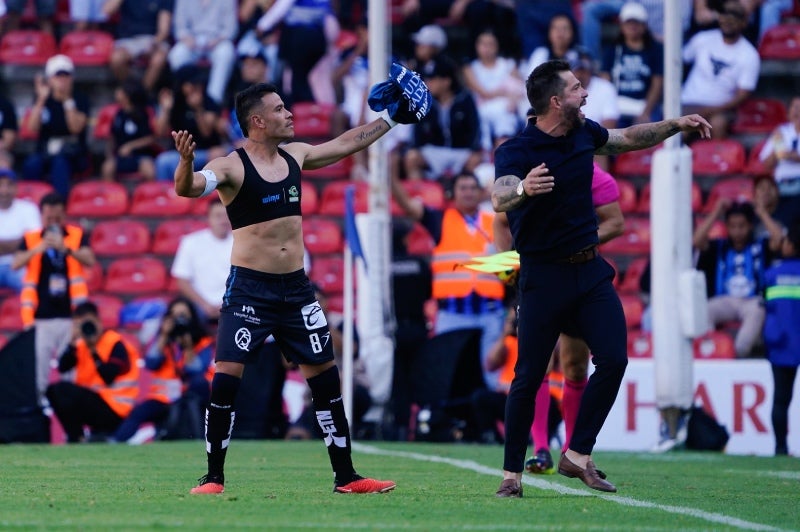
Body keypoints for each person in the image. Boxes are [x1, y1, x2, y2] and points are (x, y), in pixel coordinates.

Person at [173, 70, 429, 494]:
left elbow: (348, 142)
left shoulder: (296, 155)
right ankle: (213, 477)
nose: (289, 114)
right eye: (279, 109)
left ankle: (346, 477)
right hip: (249, 290)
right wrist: (185, 163)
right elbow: (190, 188)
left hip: (296, 291)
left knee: (326, 381)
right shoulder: (230, 166)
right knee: (226, 379)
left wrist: (391, 119)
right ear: (257, 121)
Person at [491, 58, 712, 496]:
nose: (584, 93)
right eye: (575, 88)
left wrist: (675, 124)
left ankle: (577, 455)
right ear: (556, 101)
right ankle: (511, 475)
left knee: (614, 360)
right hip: (543, 275)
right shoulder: (515, 150)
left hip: (590, 270)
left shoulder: (584, 133)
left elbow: (627, 138)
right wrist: (521, 190)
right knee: (529, 375)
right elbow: (499, 197)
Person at [493, 161, 626, 474]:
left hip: (578, 277)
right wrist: (507, 262)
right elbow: (500, 218)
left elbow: (616, 223)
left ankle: (572, 451)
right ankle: (540, 449)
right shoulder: (528, 173)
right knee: (535, 364)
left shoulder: (592, 176)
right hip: (536, 277)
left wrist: (579, 242)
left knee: (575, 364)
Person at [393, 171, 506, 390]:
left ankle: (494, 423)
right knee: (448, 376)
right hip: (453, 314)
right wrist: (391, 174)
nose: (468, 193)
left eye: (473, 188)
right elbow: (407, 206)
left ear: (481, 192)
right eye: (463, 188)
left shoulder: (495, 222)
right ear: (452, 193)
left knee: (492, 380)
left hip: (491, 313)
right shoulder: (440, 219)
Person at [12, 192, 96, 406]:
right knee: (38, 372)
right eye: (48, 219)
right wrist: (40, 248)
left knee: (70, 371)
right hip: (41, 319)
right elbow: (16, 264)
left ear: (64, 215)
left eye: (57, 219)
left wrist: (64, 248)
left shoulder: (75, 235)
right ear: (41, 216)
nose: (52, 223)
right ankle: (37, 420)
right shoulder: (31, 238)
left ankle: (72, 423)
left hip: (71, 317)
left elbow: (89, 259)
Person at [110, 297, 214, 443]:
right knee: (139, 412)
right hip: (164, 396)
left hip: (192, 396)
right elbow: (151, 363)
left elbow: (197, 371)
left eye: (183, 315)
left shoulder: (203, 342)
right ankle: (115, 442)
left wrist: (188, 348)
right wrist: (164, 336)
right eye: (175, 316)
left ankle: (202, 442)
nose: (179, 320)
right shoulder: (162, 340)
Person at [693, 199, 783, 357]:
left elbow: (779, 239)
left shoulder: (761, 245)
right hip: (725, 300)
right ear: (726, 227)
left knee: (758, 310)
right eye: (732, 226)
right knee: (703, 310)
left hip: (752, 300)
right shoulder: (719, 246)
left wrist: (762, 213)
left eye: (742, 226)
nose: (737, 231)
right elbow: (697, 240)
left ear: (750, 226)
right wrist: (716, 213)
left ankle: (737, 354)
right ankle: (709, 350)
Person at [46, 301, 140, 443]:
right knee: (54, 391)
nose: (87, 328)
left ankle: (78, 437)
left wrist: (93, 351)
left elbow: (108, 376)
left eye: (88, 322)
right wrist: (72, 341)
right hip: (94, 403)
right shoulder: (80, 345)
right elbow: (63, 367)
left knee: (64, 390)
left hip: (116, 409)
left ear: (98, 321)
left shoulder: (115, 343)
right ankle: (76, 437)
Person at [680, 0, 760, 140]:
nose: (728, 19)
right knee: (679, 124)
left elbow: (743, 94)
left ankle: (714, 160)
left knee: (718, 123)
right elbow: (678, 62)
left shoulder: (749, 54)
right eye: (724, 14)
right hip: (689, 102)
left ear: (744, 22)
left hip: (721, 108)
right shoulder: (702, 39)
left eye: (734, 15)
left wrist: (711, 110)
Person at [22, 55, 90, 199]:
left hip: (73, 153)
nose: (62, 80)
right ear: (50, 79)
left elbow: (75, 128)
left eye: (66, 76)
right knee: (32, 164)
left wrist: (67, 100)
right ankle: (32, 200)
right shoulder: (43, 99)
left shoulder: (80, 99)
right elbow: (32, 127)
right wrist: (41, 99)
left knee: (60, 163)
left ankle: (60, 203)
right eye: (58, 76)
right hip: (46, 150)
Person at [403, 58, 482, 181]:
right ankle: (419, 195)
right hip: (434, 151)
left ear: (446, 81)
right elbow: (416, 132)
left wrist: (474, 150)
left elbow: (475, 128)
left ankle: (463, 192)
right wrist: (415, 147)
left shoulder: (465, 99)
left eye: (433, 79)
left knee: (476, 160)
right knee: (411, 157)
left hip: (460, 152)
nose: (427, 83)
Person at [763, 221, 800, 456]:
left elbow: (765, 305)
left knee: (781, 400)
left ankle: (780, 448)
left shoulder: (771, 274)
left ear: (791, 246)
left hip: (780, 345)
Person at [599, 2, 664, 128]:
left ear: (644, 26)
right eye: (629, 23)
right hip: (618, 105)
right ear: (622, 26)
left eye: (636, 23)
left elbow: (657, 83)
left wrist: (646, 112)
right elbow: (605, 81)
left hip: (644, 105)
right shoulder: (612, 50)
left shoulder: (655, 50)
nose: (632, 27)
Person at [170, 198, 233, 321]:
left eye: (226, 215)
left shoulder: (242, 244)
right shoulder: (191, 242)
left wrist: (227, 304)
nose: (223, 220)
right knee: (179, 310)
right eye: (218, 216)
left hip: (233, 305)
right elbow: (182, 280)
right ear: (208, 218)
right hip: (199, 306)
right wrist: (204, 305)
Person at [168, 0, 237, 105]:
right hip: (192, 40)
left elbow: (230, 29)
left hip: (217, 41)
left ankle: (213, 99)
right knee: (177, 54)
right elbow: (179, 28)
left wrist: (217, 40)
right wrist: (187, 38)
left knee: (226, 52)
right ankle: (187, 97)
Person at [104, 0, 173, 93]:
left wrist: (154, 43)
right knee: (117, 59)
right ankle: (132, 92)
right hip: (128, 40)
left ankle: (142, 95)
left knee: (159, 59)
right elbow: (107, 10)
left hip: (153, 39)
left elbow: (164, 30)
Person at [101, 80, 156, 182]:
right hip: (121, 157)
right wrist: (109, 155)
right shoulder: (118, 114)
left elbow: (150, 138)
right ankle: (112, 196)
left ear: (128, 95)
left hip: (141, 156)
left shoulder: (143, 114)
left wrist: (130, 146)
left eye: (120, 91)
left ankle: (148, 195)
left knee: (149, 171)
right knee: (107, 168)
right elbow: (112, 137)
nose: (117, 93)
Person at [759, 96, 800, 228]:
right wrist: (780, 149)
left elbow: (786, 155)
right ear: (788, 113)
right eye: (795, 108)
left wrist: (789, 155)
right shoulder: (780, 132)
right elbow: (767, 164)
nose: (797, 111)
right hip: (780, 187)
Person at [0, 169, 41, 292]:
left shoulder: (29, 209)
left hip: (20, 265)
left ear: (16, 188)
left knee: (33, 286)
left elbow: (34, 243)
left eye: (9, 185)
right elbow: (24, 243)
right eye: (0, 185)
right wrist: (19, 243)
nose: (4, 191)